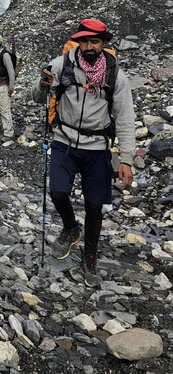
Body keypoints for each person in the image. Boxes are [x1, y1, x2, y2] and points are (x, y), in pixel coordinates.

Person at [34, 19, 135, 286]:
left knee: (94, 205)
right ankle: (71, 228)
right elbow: (37, 97)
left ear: (103, 44)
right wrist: (43, 85)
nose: (89, 46)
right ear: (78, 41)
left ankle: (90, 256)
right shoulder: (61, 65)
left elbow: (125, 118)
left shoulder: (115, 76)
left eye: (95, 41)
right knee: (57, 192)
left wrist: (126, 159)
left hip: (97, 147)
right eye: (84, 41)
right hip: (64, 140)